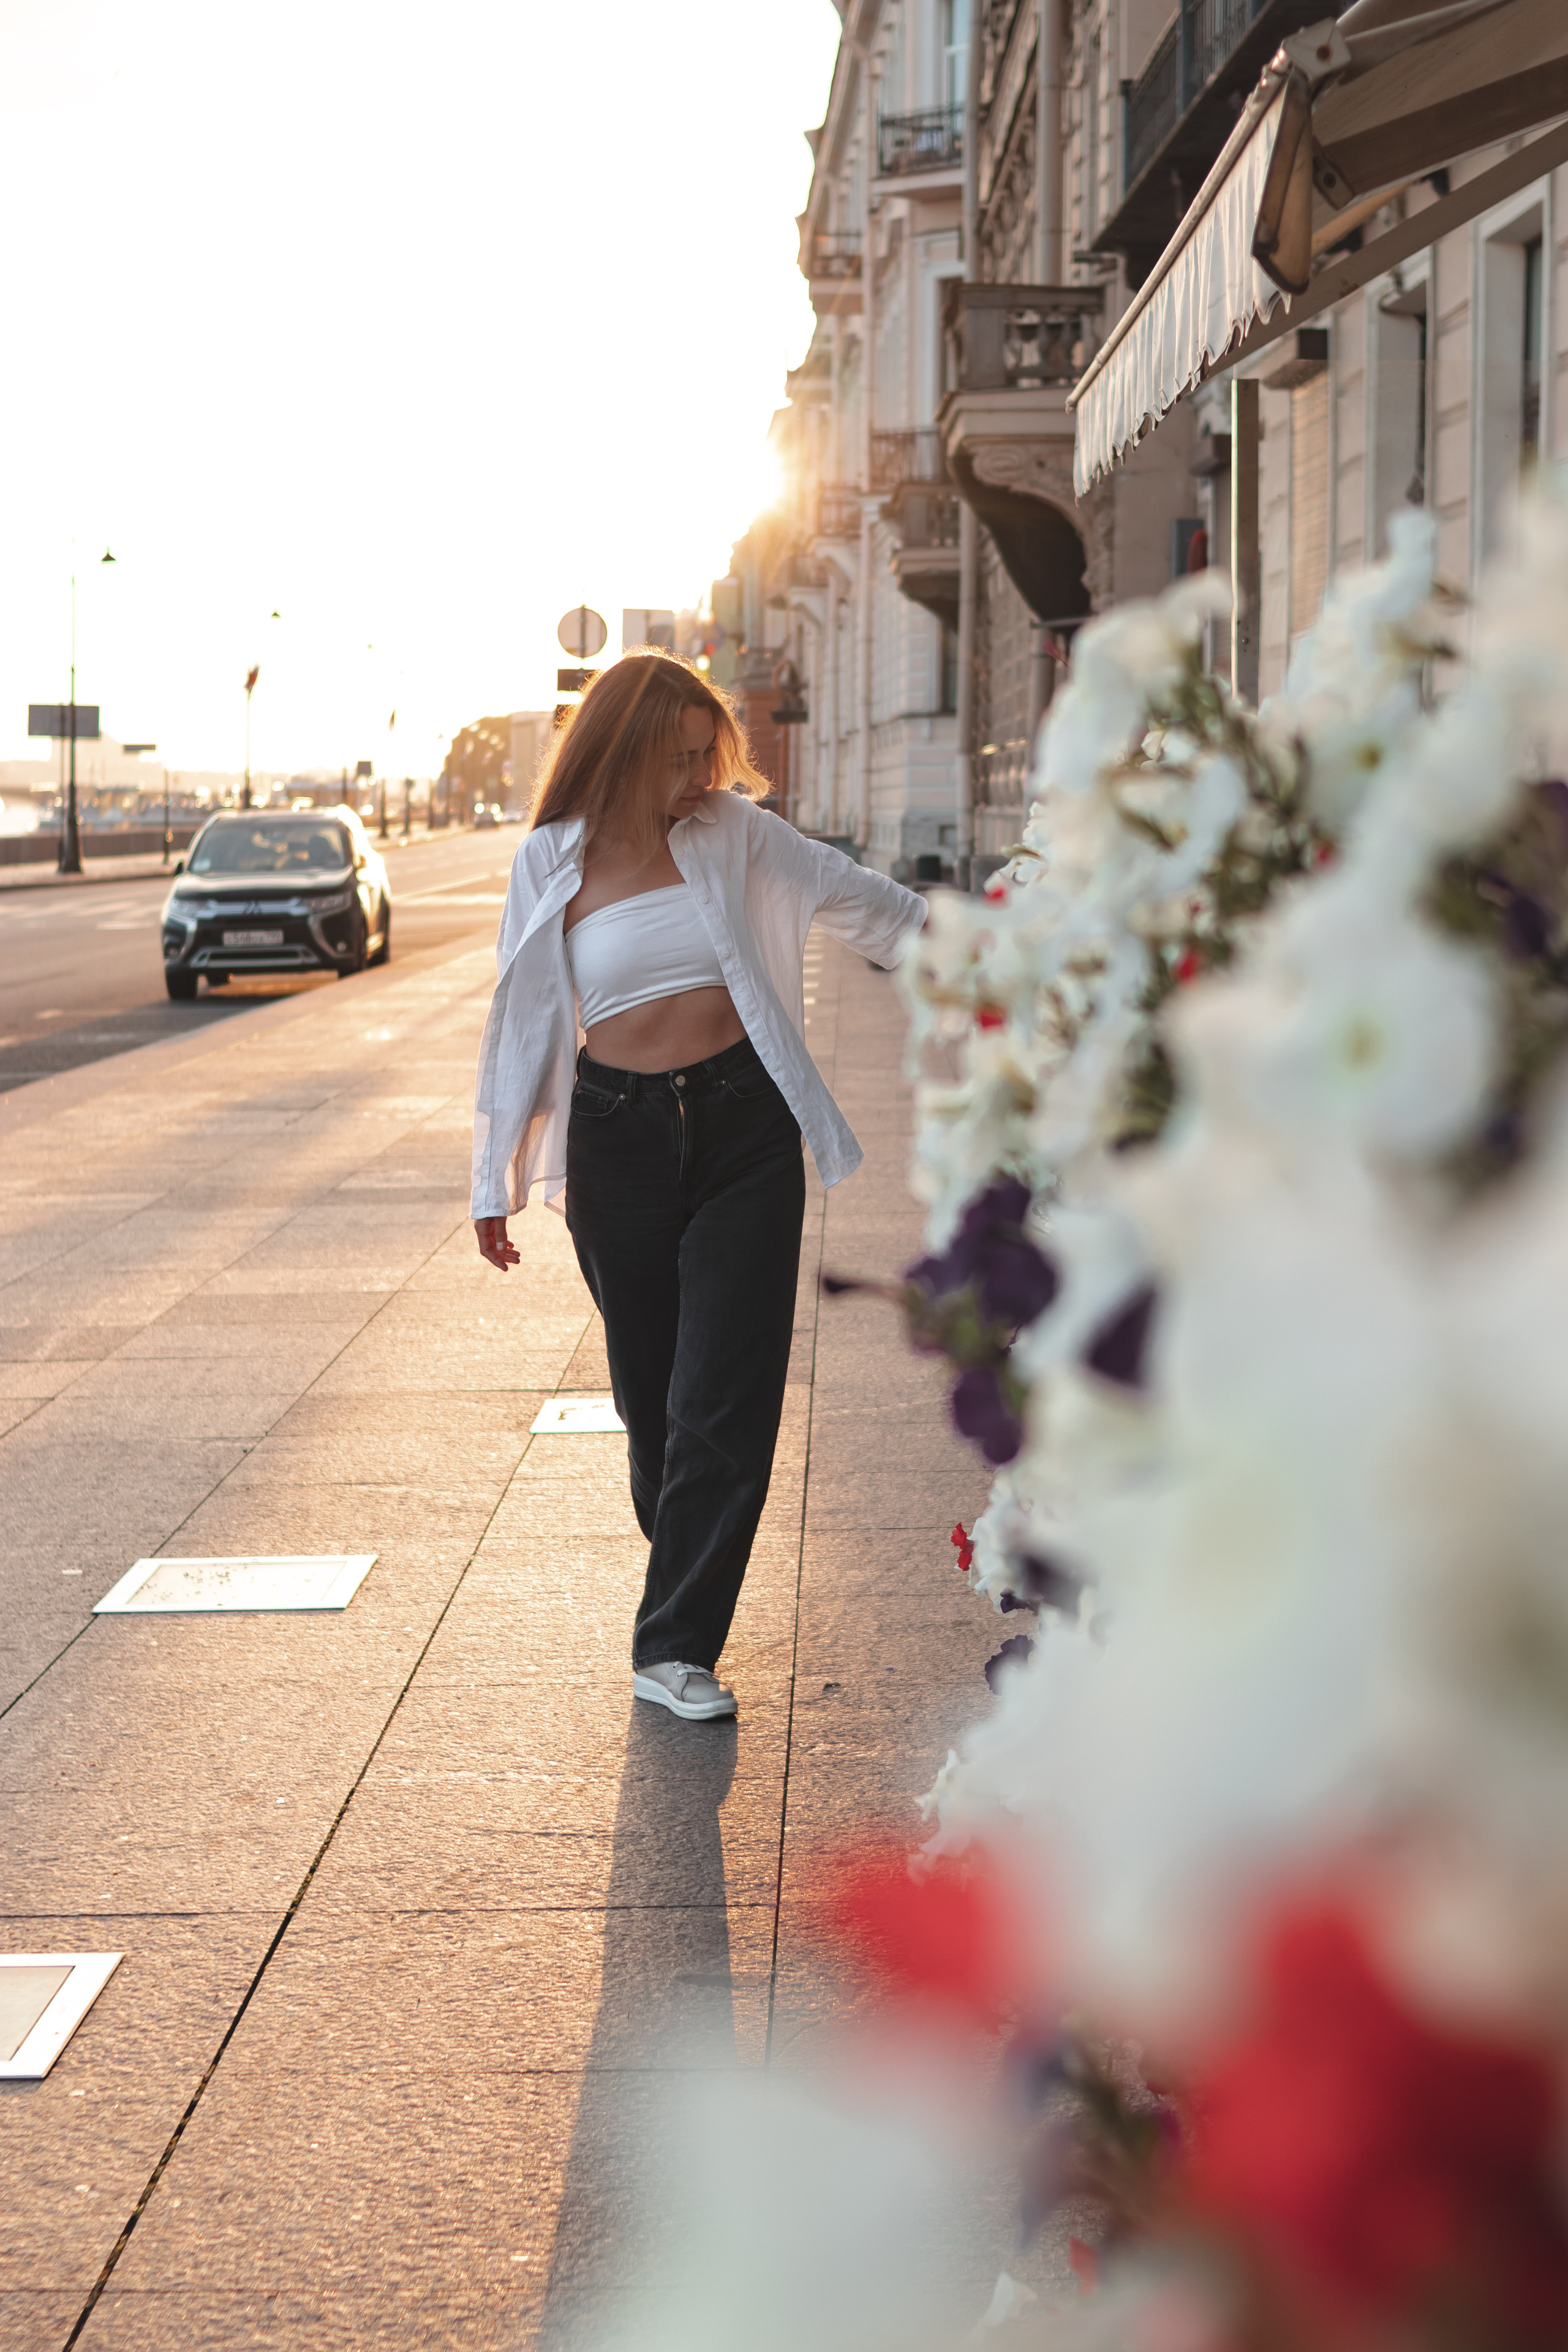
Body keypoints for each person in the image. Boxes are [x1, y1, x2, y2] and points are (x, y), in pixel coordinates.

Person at [471, 652, 925, 1721]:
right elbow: (522, 1017)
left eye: (702, 754)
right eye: (674, 758)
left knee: (726, 1390)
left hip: (745, 1128)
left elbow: (867, 905)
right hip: (617, 1139)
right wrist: (493, 1177)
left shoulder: (732, 831)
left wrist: (1016, 946)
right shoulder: (551, 858)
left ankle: (675, 1646)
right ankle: (685, 1565)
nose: (693, 776)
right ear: (620, 752)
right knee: (654, 1403)